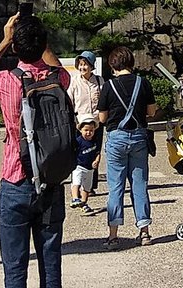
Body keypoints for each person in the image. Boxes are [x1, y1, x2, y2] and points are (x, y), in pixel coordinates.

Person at [0, 12, 70, 287]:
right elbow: (58, 67)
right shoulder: (58, 79)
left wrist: (5, 40)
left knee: (15, 269)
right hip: (51, 179)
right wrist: (40, 36)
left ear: (16, 47)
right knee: (51, 266)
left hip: (16, 180)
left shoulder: (7, 81)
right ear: (43, 44)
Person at [97, 44, 160, 248]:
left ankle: (113, 235)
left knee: (115, 187)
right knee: (139, 185)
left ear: (113, 65)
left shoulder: (108, 86)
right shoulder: (143, 83)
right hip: (139, 138)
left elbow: (102, 117)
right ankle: (144, 232)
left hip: (116, 138)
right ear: (131, 62)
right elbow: (151, 112)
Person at [70, 119, 101, 212]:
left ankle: (83, 203)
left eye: (91, 130)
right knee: (76, 182)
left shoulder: (95, 141)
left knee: (87, 187)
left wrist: (97, 160)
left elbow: (98, 153)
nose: (89, 132)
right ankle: (75, 198)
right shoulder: (78, 141)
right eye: (86, 130)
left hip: (90, 168)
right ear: (81, 130)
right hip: (78, 166)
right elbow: (72, 151)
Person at [67, 50, 101, 125]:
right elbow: (69, 103)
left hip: (96, 123)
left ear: (91, 66)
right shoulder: (73, 81)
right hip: (80, 123)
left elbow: (103, 101)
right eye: (80, 64)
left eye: (85, 65)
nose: (82, 67)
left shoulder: (99, 80)